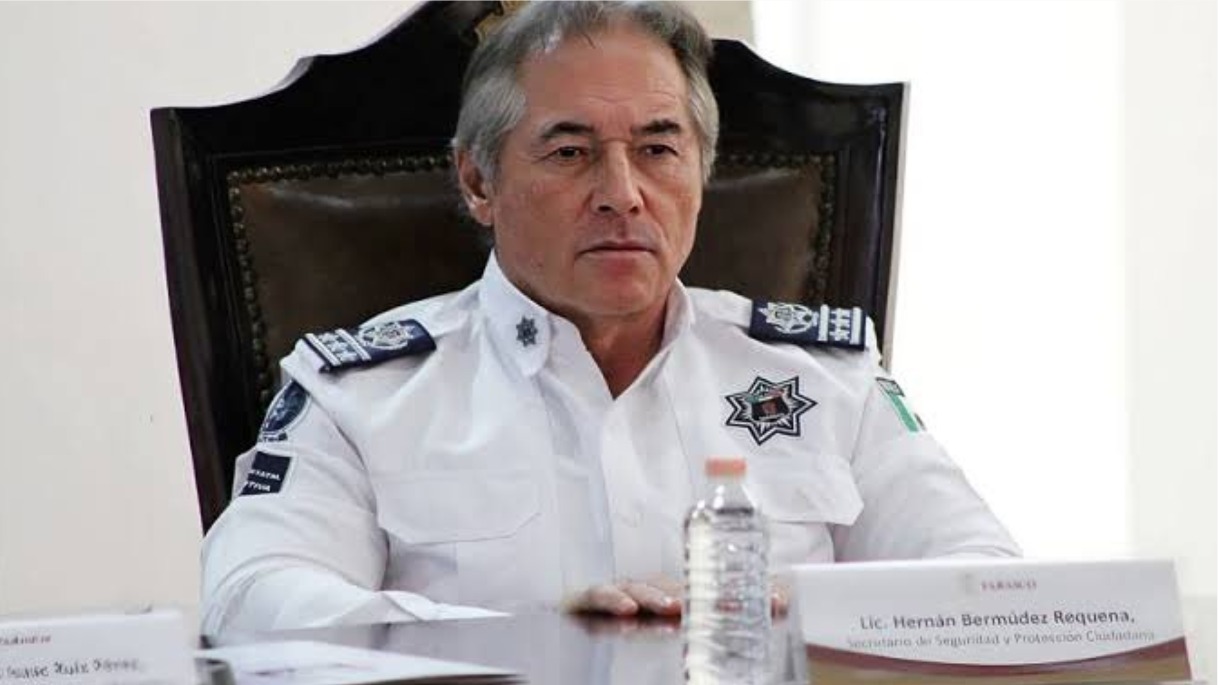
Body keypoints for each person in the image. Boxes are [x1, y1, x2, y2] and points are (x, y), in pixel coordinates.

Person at [200, 0, 1019, 634]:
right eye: (570, 152)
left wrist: (790, 614)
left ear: (701, 172)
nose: (623, 194)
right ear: (478, 182)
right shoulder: (359, 394)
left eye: (658, 149)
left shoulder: (824, 378)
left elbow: (987, 586)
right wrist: (530, 639)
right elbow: (251, 597)